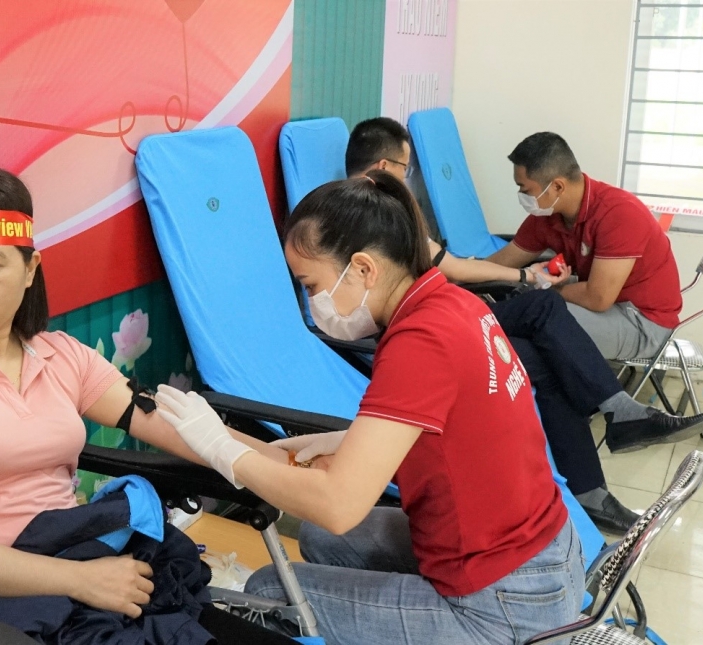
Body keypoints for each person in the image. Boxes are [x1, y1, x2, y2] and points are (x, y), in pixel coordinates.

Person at [0, 166, 296, 645]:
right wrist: (80, 580)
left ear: (30, 269)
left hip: (87, 565)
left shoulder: (60, 355)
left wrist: (287, 463)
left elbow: (171, 424)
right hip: (1, 610)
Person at [155, 170, 586, 645]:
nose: (312, 302)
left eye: (311, 285)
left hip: (504, 602)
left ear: (362, 269)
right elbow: (467, 426)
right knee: (319, 538)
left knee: (270, 591)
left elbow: (338, 505)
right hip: (546, 554)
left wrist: (224, 451)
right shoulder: (454, 304)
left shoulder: (419, 341)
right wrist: (351, 439)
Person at [343, 117, 703, 531]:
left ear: (557, 186)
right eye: (405, 168)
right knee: (545, 317)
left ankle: (592, 487)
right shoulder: (366, 215)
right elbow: (452, 269)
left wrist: (518, 282)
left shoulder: (387, 211)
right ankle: (617, 426)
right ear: (384, 167)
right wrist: (524, 280)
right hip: (431, 322)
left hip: (624, 319)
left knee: (548, 353)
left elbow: (455, 269)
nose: (410, 177)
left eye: (525, 188)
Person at [488, 132, 683, 363]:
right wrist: (459, 274)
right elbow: (502, 262)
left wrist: (545, 289)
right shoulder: (548, 215)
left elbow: (597, 298)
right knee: (522, 312)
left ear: (557, 186)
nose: (521, 196)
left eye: (525, 189)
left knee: (537, 321)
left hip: (642, 322)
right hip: (606, 306)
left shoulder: (619, 214)